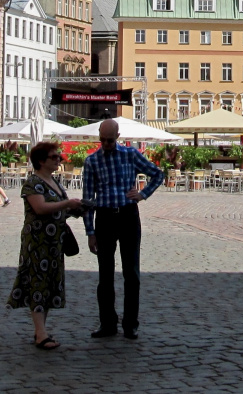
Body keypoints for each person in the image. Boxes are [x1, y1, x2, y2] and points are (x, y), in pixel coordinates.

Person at [82, 119, 165, 340]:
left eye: (110, 140)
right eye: (102, 140)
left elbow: (157, 174)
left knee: (132, 273)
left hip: (128, 215)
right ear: (99, 136)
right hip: (105, 217)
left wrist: (143, 194)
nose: (106, 144)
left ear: (117, 137)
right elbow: (88, 199)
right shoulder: (92, 161)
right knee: (105, 274)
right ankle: (107, 323)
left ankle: (130, 324)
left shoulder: (130, 154)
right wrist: (90, 232)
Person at [8, 141, 84, 350]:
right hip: (38, 241)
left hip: (54, 241)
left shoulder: (55, 182)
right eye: (54, 157)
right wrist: (67, 204)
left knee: (49, 283)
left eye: (58, 156)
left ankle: (41, 330)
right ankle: (41, 334)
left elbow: (59, 209)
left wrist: (77, 209)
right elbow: (40, 208)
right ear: (41, 161)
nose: (59, 159)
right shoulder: (33, 183)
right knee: (37, 282)